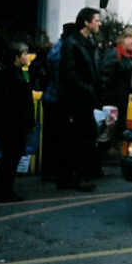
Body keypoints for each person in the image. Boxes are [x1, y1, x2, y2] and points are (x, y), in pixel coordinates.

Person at [57, 8, 102, 192]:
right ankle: (75, 177)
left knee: (85, 137)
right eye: (96, 20)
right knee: (79, 139)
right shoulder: (72, 43)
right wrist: (87, 88)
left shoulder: (88, 42)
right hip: (75, 100)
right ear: (86, 22)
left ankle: (76, 176)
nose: (99, 24)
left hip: (86, 98)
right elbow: (69, 73)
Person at [0, 41, 36, 202]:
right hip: (13, 124)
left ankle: (4, 189)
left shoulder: (21, 72)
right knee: (10, 157)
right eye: (24, 54)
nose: (27, 56)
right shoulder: (10, 75)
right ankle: (4, 190)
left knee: (12, 157)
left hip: (17, 123)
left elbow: (27, 88)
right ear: (16, 57)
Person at [40, 22, 78, 181]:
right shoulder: (63, 50)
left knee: (50, 136)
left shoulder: (56, 47)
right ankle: (54, 171)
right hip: (57, 98)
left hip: (50, 96)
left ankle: (48, 170)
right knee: (58, 136)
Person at [100, 30, 132, 142]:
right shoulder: (115, 54)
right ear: (122, 40)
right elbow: (104, 78)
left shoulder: (127, 56)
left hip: (121, 101)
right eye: (130, 38)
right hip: (113, 103)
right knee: (110, 134)